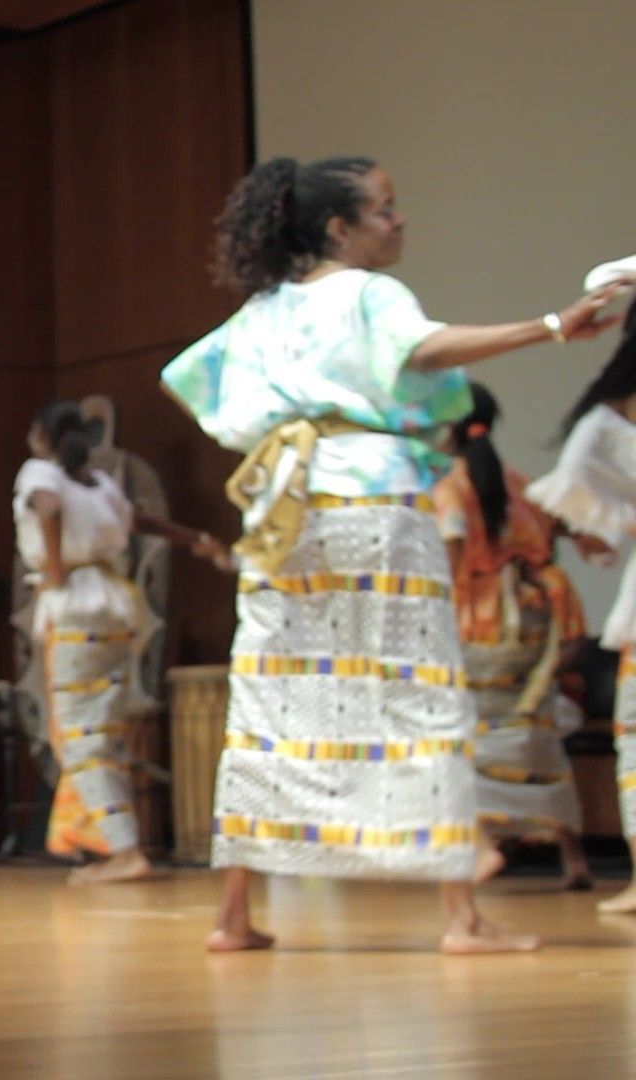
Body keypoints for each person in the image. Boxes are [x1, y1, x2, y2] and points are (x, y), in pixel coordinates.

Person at [161, 156, 625, 953]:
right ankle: (461, 917)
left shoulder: (267, 307)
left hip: (286, 506)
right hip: (370, 498)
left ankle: (233, 916)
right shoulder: (371, 295)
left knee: (270, 698)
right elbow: (426, 349)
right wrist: (551, 326)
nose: (399, 220)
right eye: (385, 209)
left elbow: (190, 377)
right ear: (339, 228)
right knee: (419, 690)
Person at [16, 400, 230, 884]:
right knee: (102, 732)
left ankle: (124, 850)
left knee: (81, 738)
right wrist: (195, 538)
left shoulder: (39, 473)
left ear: (40, 435)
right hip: (113, 606)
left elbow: (46, 508)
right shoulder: (100, 483)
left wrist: (52, 570)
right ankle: (109, 842)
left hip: (74, 607)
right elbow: (141, 523)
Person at [434, 384, 596, 889]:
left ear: (448, 426)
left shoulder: (451, 486)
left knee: (471, 740)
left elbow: (454, 553)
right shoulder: (515, 482)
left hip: (480, 623)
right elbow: (560, 527)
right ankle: (575, 859)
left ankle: (481, 848)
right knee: (535, 731)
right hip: (533, 622)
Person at [526, 316, 636, 913]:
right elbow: (576, 490)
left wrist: (605, 532)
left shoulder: (605, 423)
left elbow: (574, 488)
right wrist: (606, 532)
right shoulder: (605, 425)